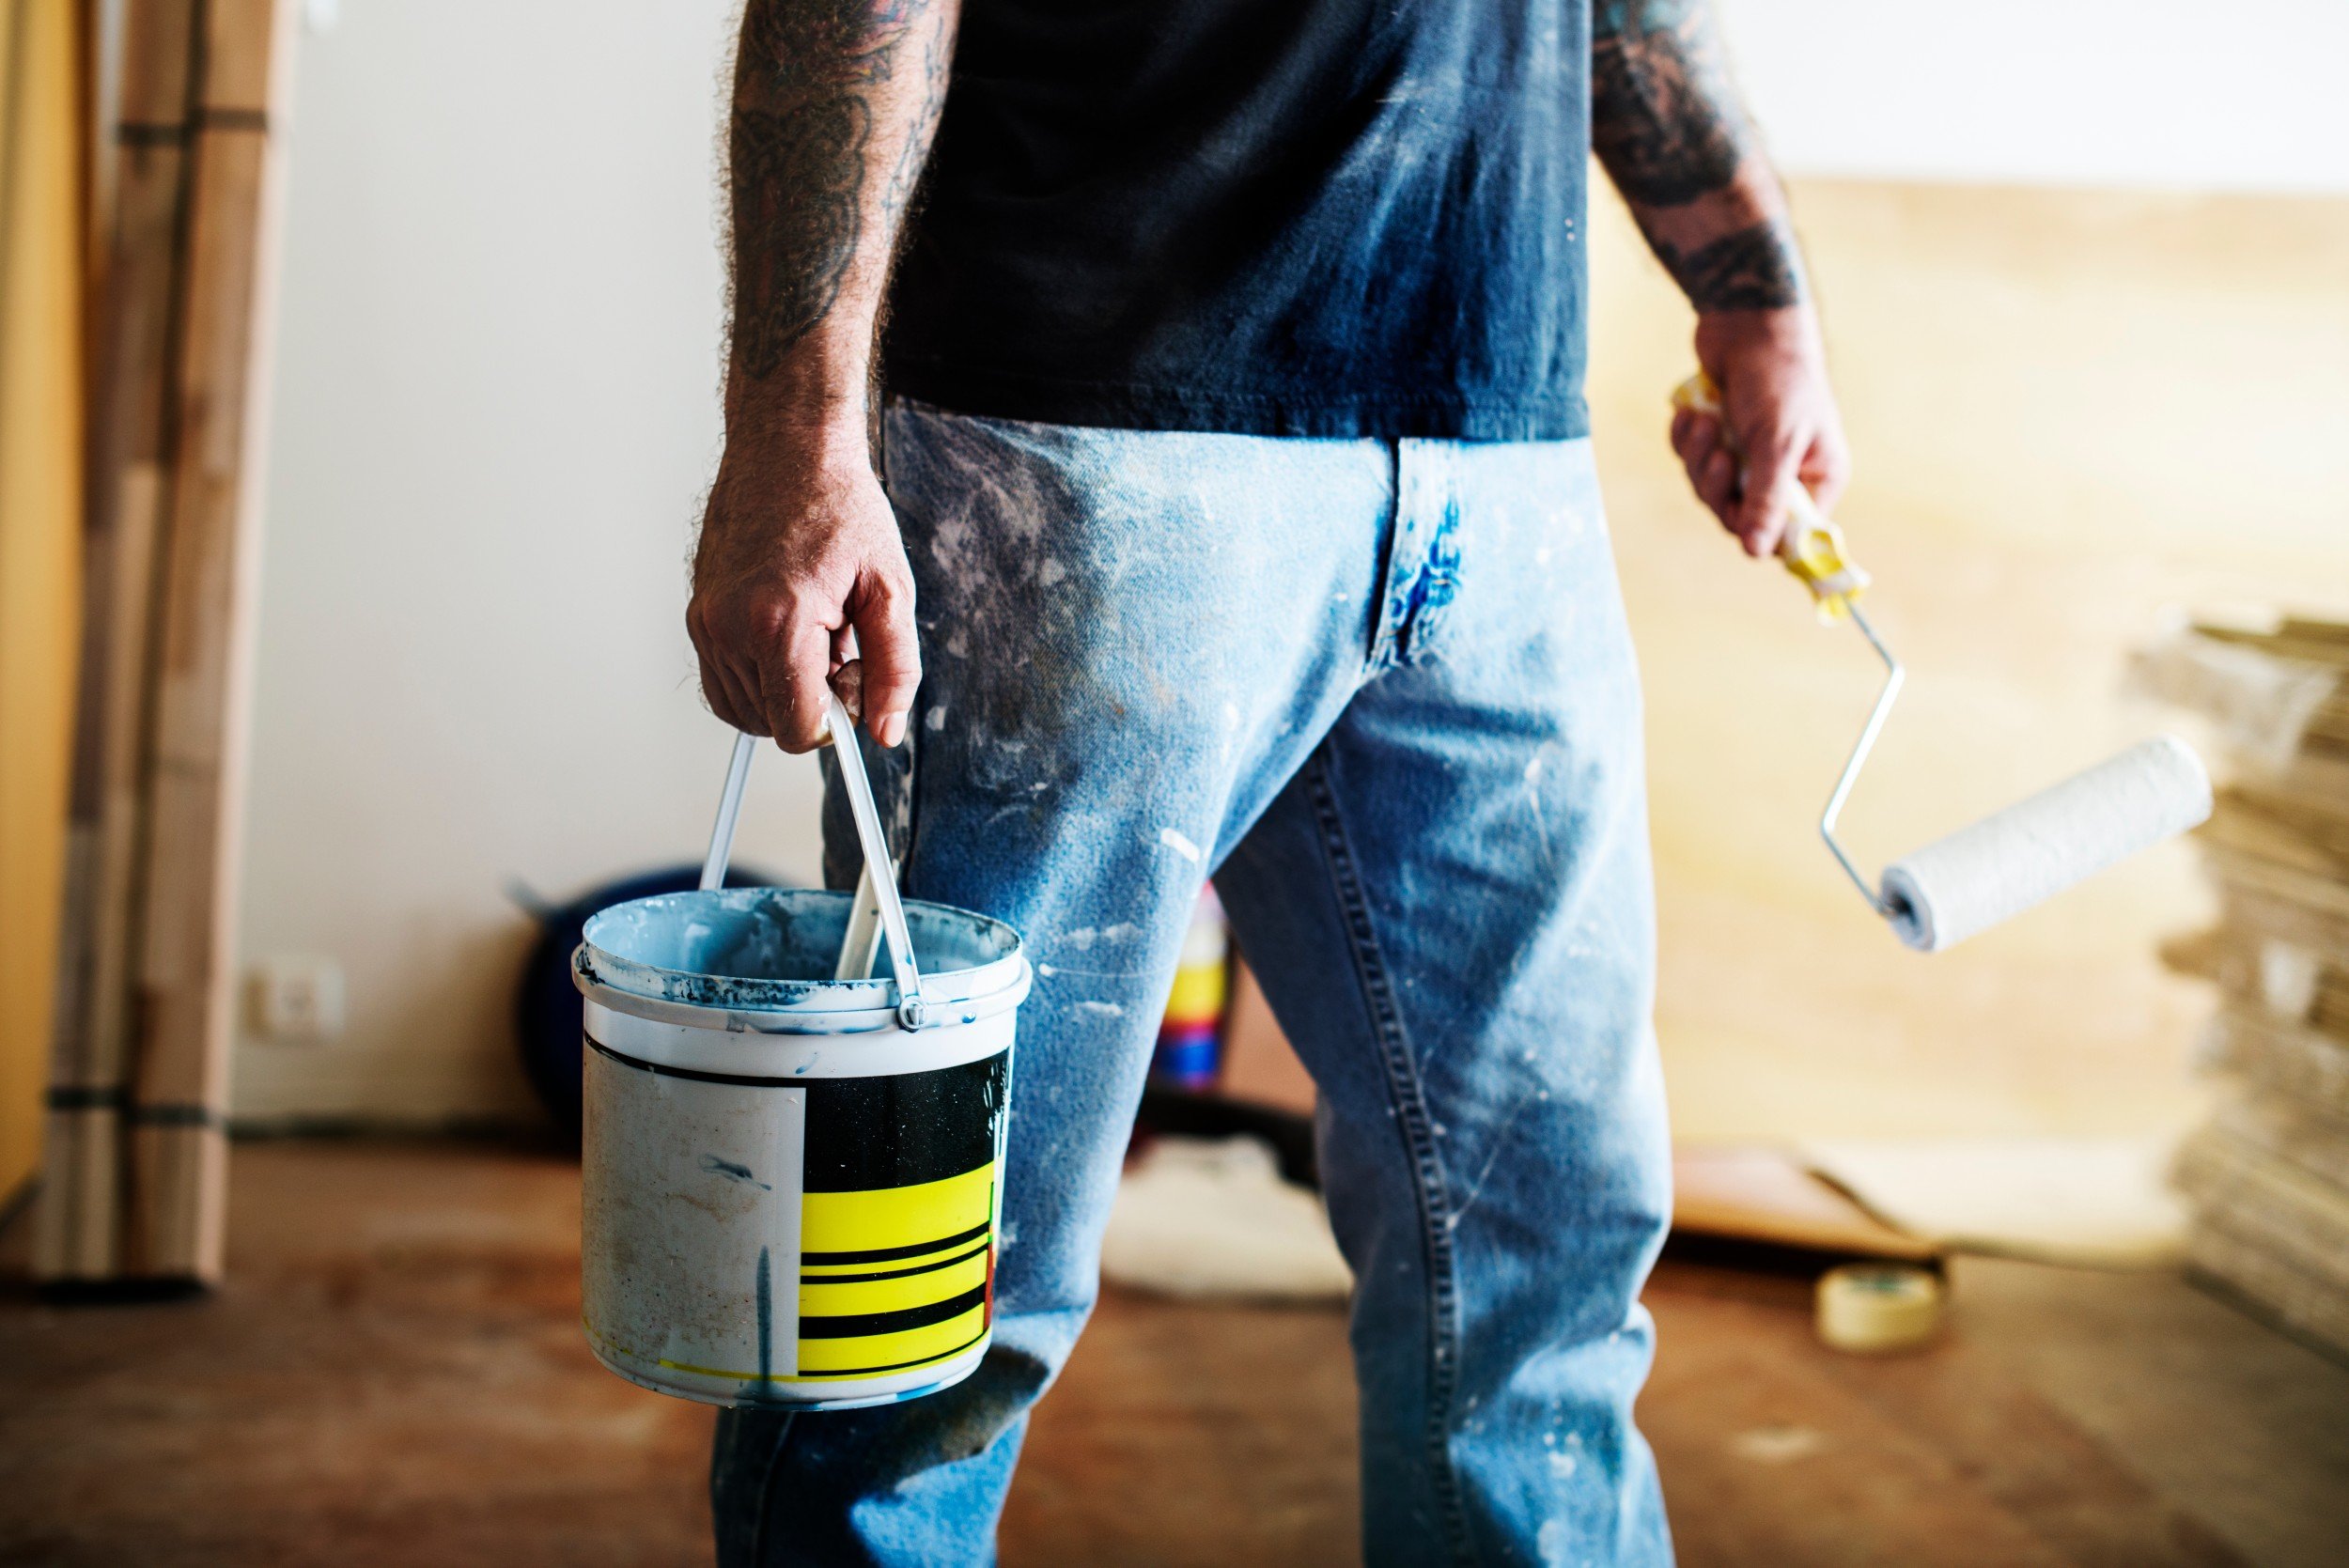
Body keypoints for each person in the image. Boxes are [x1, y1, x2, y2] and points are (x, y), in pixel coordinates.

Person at [688, 0, 1847, 1561]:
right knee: (934, 1290)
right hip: (1086, 440)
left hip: (1498, 455)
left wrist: (1755, 292)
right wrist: (799, 433)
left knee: (1545, 1250)